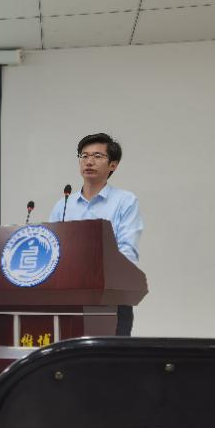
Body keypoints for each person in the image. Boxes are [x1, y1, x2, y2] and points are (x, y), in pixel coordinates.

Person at [49, 133, 143, 336]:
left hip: (111, 299)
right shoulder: (63, 204)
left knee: (109, 356)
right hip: (67, 299)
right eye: (84, 156)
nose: (89, 161)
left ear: (113, 165)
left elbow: (128, 252)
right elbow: (51, 250)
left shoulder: (125, 201)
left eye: (97, 156)